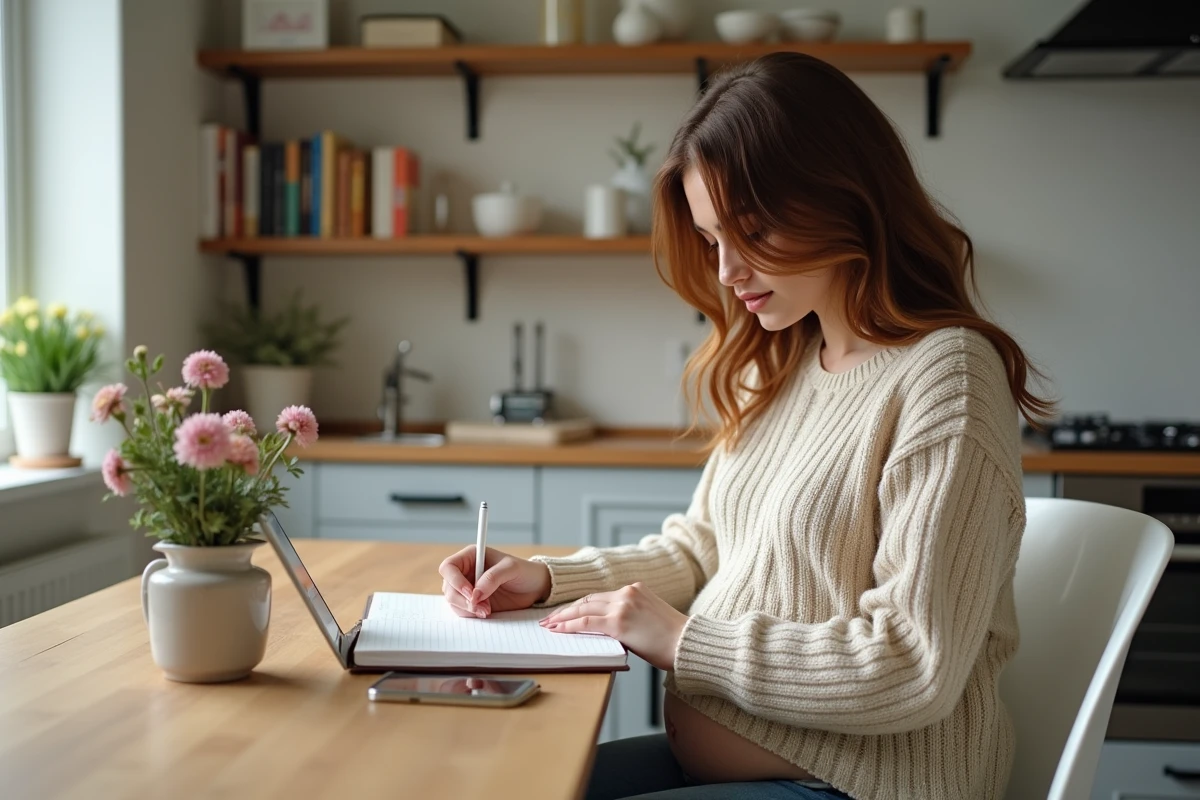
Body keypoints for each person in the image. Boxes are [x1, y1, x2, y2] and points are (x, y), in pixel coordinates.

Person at [438, 52, 1054, 800]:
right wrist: (545, 581)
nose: (727, 270)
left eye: (752, 231)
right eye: (711, 239)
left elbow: (910, 665)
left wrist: (681, 641)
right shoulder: (784, 360)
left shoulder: (946, 377)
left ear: (842, 198)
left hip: (862, 787)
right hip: (753, 767)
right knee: (484, 782)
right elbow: (702, 551)